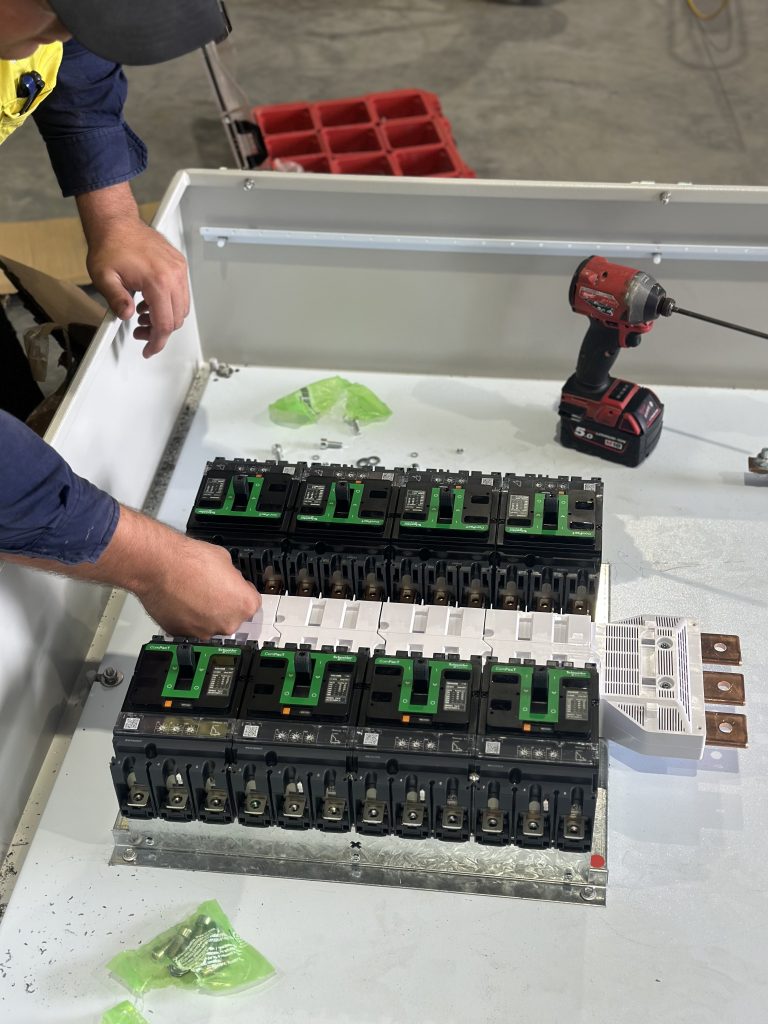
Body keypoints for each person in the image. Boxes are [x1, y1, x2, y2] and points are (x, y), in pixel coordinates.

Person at [0, 0, 261, 637]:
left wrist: (114, 216)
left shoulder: (37, 19)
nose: (57, 35)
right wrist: (154, 566)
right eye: (55, 14)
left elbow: (74, 55)